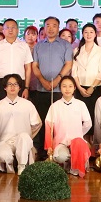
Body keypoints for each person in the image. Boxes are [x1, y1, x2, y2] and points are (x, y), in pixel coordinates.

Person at [31, 16, 74, 156]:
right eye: (48, 25)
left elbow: (68, 64)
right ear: (44, 28)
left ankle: (59, 151)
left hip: (59, 90)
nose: (50, 28)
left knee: (59, 122)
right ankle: (44, 153)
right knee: (43, 120)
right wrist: (42, 80)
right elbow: (35, 66)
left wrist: (58, 79)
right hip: (41, 89)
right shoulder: (38, 46)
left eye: (54, 25)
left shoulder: (65, 45)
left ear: (58, 28)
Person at [0, 74, 41, 175]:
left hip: (22, 139)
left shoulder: (27, 104)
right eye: (9, 84)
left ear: (20, 87)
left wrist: (29, 136)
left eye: (15, 84)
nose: (12, 87)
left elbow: (37, 124)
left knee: (24, 137)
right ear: (5, 87)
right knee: (3, 156)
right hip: (5, 140)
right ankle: (10, 169)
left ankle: (22, 166)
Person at [44, 76, 92, 177]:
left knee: (79, 145)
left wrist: (80, 133)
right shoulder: (55, 106)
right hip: (61, 142)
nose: (67, 89)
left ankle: (75, 165)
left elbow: (88, 123)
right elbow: (48, 127)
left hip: (77, 142)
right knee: (61, 156)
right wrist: (49, 146)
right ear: (60, 88)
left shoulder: (81, 104)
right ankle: (67, 163)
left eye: (70, 86)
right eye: (64, 86)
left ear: (74, 88)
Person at [0, 18, 33, 102]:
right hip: (1, 83)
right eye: (7, 27)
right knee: (2, 108)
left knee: (19, 107)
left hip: (19, 82)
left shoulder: (24, 46)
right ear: (3, 31)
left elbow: (28, 68)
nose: (10, 30)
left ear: (18, 30)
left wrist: (26, 88)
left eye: (13, 27)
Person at [72, 23, 101, 129]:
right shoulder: (77, 50)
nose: (88, 34)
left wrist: (92, 87)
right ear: (82, 34)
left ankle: (94, 138)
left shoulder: (100, 51)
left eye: (91, 32)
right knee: (81, 116)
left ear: (95, 34)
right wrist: (79, 87)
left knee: (94, 115)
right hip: (80, 88)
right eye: (86, 32)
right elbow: (74, 72)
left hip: (96, 88)